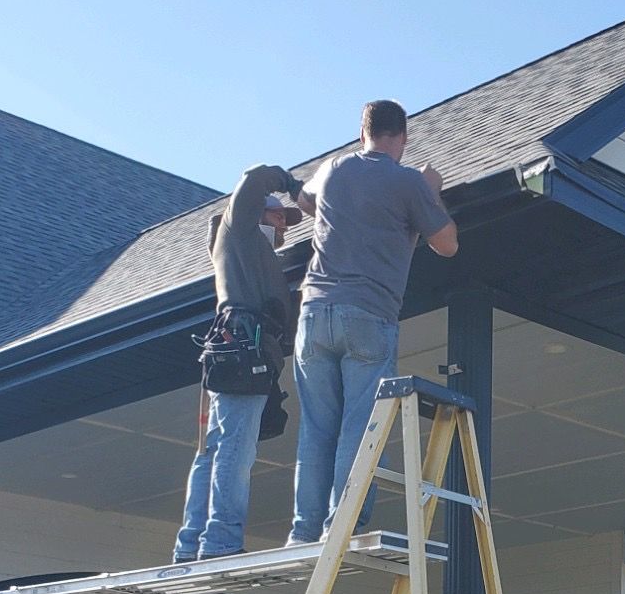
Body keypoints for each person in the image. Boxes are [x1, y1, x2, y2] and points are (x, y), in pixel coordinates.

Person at [288, 100, 458, 544]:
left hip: (314, 312)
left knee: (317, 427)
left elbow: (304, 200)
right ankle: (339, 526)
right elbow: (447, 244)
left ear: (361, 133)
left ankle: (304, 531)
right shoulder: (409, 181)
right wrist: (432, 190)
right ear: (403, 138)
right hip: (368, 313)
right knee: (359, 425)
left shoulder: (334, 168)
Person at [174, 164, 302, 562]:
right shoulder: (240, 231)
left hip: (238, 350)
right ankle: (220, 540)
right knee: (235, 447)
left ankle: (192, 543)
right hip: (244, 350)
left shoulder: (251, 257)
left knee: (215, 448)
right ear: (257, 212)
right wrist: (292, 184)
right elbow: (252, 179)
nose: (284, 226)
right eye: (278, 216)